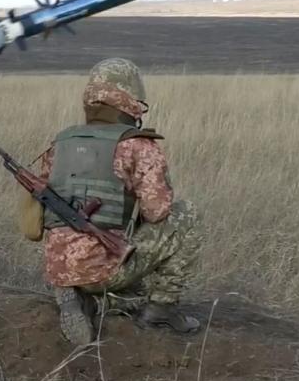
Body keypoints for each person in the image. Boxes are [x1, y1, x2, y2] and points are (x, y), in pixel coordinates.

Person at [30, 57, 202, 345]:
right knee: (185, 215)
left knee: (121, 274)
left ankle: (82, 296)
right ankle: (161, 307)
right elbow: (158, 212)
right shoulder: (138, 145)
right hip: (105, 268)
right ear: (129, 96)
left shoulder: (60, 143)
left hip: (58, 267)